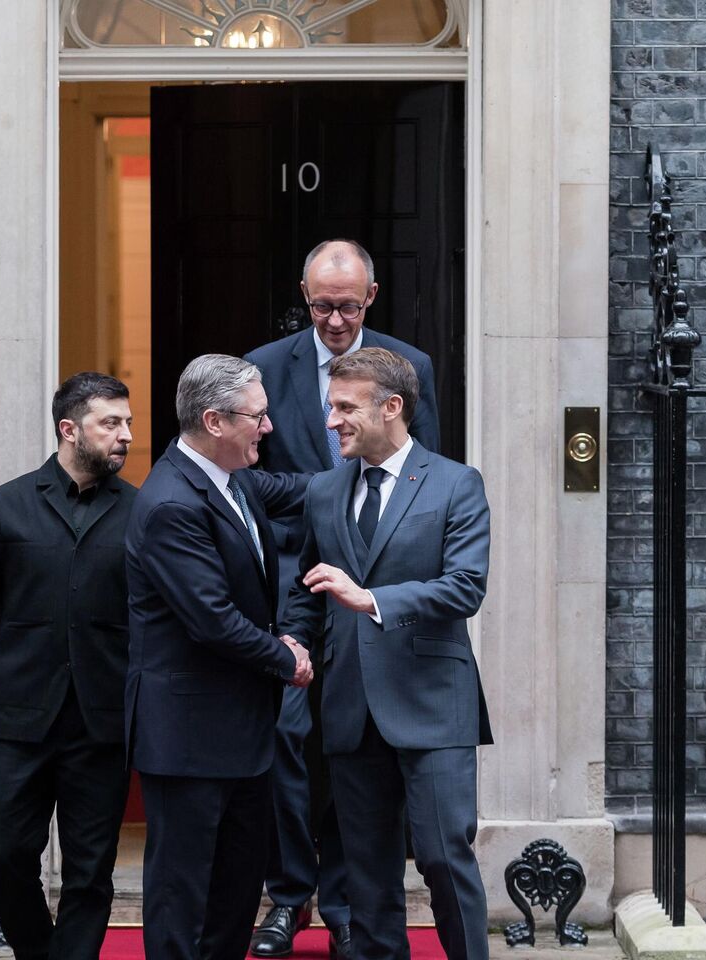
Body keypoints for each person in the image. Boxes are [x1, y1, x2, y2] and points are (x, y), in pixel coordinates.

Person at [241, 239, 440, 960]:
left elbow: (425, 476)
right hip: (289, 586)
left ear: (371, 298)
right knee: (287, 740)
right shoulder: (263, 368)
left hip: (374, 589)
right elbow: (247, 478)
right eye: (322, 306)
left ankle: (347, 902)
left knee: (356, 748)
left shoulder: (408, 366)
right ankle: (289, 895)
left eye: (348, 307)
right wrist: (323, 492)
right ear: (304, 295)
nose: (333, 320)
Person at [286, 347, 492, 960]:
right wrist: (293, 640)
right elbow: (306, 586)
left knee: (443, 857)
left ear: (391, 407)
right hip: (351, 705)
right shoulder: (324, 490)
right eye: (331, 407)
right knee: (366, 875)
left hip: (433, 702)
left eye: (345, 408)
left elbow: (465, 586)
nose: (332, 421)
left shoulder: (456, 483)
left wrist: (371, 598)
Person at [0, 372, 138, 960]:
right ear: (70, 429)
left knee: (90, 871)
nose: (126, 435)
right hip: (19, 717)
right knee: (2, 852)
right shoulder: (6, 505)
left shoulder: (141, 511)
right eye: (111, 423)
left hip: (102, 722)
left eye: (127, 422)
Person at [126, 353, 315, 960]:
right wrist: (286, 658)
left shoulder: (235, 481)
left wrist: (381, 461)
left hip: (242, 733)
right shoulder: (172, 502)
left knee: (235, 894)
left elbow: (301, 489)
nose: (268, 427)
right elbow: (212, 619)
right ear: (214, 421)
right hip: (189, 737)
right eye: (257, 417)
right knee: (184, 897)